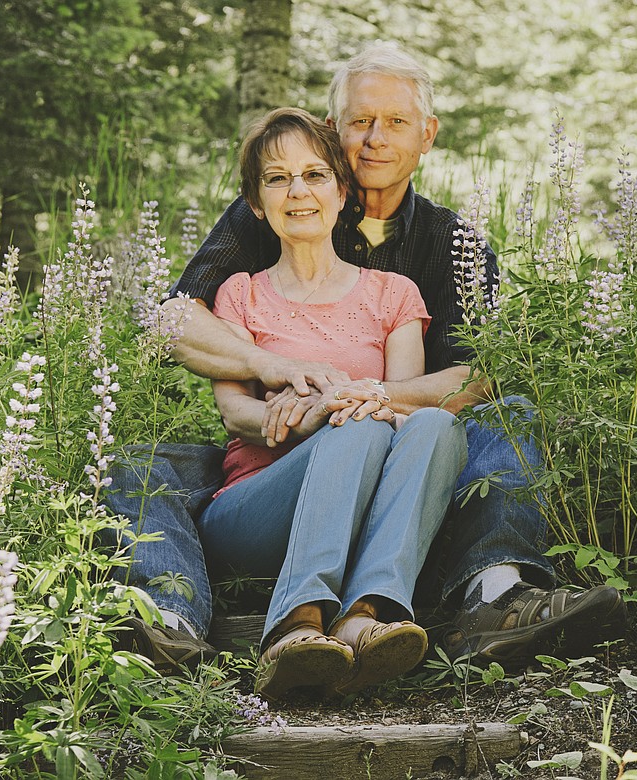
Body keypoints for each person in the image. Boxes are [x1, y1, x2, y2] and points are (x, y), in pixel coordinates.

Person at [103, 42, 625, 679]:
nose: (375, 139)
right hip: (272, 450)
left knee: (505, 419)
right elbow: (172, 320)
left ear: (427, 135)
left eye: (397, 122)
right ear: (333, 131)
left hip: (409, 451)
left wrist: (361, 397)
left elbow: (479, 374)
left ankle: (494, 593)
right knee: (140, 466)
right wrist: (273, 368)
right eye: (359, 121)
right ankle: (172, 617)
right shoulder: (269, 212)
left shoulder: (451, 245)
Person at [190, 107, 466, 698]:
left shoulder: (395, 294)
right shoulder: (240, 294)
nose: (298, 192)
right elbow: (237, 414)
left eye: (315, 175)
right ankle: (293, 625)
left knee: (433, 427)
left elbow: (400, 411)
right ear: (257, 206)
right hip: (255, 508)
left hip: (361, 497)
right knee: (357, 425)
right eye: (277, 178)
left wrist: (345, 402)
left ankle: (367, 614)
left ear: (343, 193)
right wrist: (313, 415)